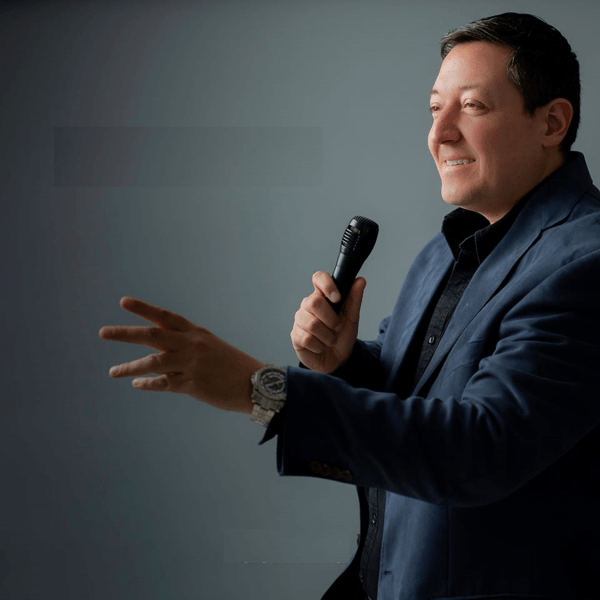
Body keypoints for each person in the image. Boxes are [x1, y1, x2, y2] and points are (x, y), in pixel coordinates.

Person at [99, 12, 600, 600]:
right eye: (434, 108)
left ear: (552, 122)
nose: (440, 134)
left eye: (473, 107)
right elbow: (421, 396)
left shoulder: (586, 263)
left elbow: (480, 448)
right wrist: (346, 363)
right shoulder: (443, 253)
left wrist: (261, 390)